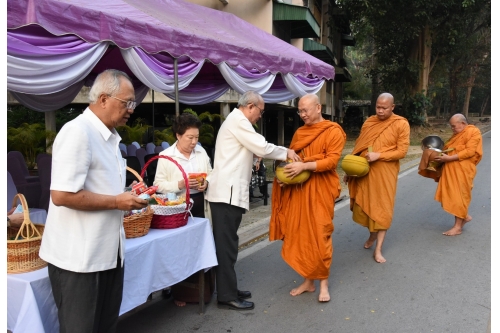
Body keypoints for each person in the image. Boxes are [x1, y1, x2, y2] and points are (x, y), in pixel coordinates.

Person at [39, 69, 149, 333]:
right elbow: (62, 194)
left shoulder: (110, 137)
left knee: (105, 326)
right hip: (79, 260)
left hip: (108, 253)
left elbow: (100, 187)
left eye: (132, 103)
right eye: (127, 103)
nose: (131, 109)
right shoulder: (78, 132)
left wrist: (126, 192)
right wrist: (116, 202)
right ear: (102, 99)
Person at [205, 90, 301, 310]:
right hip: (226, 195)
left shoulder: (237, 121)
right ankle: (226, 295)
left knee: (229, 244)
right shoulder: (239, 121)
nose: (260, 115)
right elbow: (262, 146)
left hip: (229, 194)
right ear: (250, 106)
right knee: (226, 246)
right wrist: (287, 152)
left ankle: (229, 288)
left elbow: (252, 149)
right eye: (260, 111)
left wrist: (256, 155)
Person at [269, 93, 346, 302]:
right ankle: (308, 281)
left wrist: (304, 165)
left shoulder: (333, 131)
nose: (303, 114)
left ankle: (323, 283)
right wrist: (285, 178)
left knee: (321, 235)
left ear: (318, 108)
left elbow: (331, 162)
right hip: (300, 192)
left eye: (306, 110)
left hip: (321, 190)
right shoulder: (300, 133)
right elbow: (291, 161)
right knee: (302, 235)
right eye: (300, 111)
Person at [153, 112, 213, 306]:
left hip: (199, 204)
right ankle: (180, 290)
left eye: (196, 137)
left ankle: (201, 288)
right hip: (177, 209)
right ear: (178, 136)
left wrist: (205, 182)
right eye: (190, 137)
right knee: (180, 249)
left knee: (198, 246)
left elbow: (211, 173)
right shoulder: (166, 156)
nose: (194, 142)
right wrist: (180, 183)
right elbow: (158, 185)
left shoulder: (201, 152)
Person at [344, 92, 410, 263]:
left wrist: (379, 155)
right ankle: (372, 235)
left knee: (383, 209)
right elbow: (359, 146)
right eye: (378, 107)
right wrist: (350, 170)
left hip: (385, 173)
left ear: (392, 107)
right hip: (365, 172)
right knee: (364, 208)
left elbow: (402, 152)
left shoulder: (401, 124)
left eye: (384, 108)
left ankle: (378, 249)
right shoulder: (369, 122)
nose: (380, 111)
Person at [426, 114, 482, 236]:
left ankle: (457, 227)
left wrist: (449, 158)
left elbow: (469, 151)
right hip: (452, 169)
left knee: (459, 197)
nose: (452, 129)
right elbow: (449, 148)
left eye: (453, 126)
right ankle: (464, 217)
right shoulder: (457, 135)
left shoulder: (473, 132)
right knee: (451, 195)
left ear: (462, 123)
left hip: (463, 170)